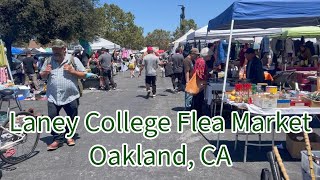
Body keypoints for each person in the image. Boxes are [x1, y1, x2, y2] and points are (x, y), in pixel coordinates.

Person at [40, 39, 97, 151]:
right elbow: (42, 76)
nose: (55, 51)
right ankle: (57, 139)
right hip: (53, 95)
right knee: (52, 117)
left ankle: (69, 135)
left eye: (58, 49)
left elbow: (84, 75)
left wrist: (72, 72)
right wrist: (45, 72)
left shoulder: (73, 60)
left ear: (64, 49)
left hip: (70, 95)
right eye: (54, 49)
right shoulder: (48, 61)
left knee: (72, 117)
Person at [191, 47, 211, 118]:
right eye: (210, 55)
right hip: (199, 83)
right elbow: (200, 73)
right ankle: (198, 115)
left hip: (198, 82)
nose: (210, 57)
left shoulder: (199, 60)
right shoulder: (202, 61)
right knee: (199, 100)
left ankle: (196, 113)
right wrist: (204, 81)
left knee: (197, 99)